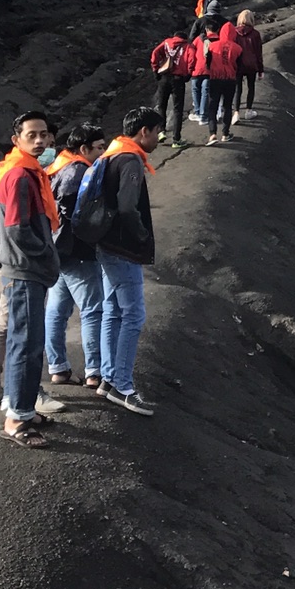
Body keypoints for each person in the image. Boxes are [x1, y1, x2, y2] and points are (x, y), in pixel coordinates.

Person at [0, 111, 62, 446]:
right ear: (16, 139)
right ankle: (16, 420)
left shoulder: (27, 172)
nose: (40, 141)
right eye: (31, 135)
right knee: (26, 344)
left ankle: (23, 408)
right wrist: (47, 255)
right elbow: (18, 229)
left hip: (23, 269)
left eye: (44, 134)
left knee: (29, 342)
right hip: (23, 271)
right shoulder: (20, 176)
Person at [95, 108, 162, 414]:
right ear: (144, 131)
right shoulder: (131, 160)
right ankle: (123, 386)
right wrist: (139, 235)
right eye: (157, 132)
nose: (158, 138)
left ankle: (108, 379)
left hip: (106, 244)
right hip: (123, 248)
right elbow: (126, 206)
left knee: (112, 312)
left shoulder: (111, 153)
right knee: (133, 315)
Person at [46, 123, 107, 387]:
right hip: (78, 251)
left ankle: (58, 367)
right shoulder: (80, 171)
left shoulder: (56, 168)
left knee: (56, 310)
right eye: (99, 148)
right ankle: (95, 371)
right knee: (93, 310)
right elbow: (78, 216)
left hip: (57, 250)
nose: (103, 153)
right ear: (84, 149)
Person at [197, 14, 244, 143]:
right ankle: (225, 133)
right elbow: (240, 67)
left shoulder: (212, 46)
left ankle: (212, 134)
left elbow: (208, 63)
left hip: (215, 79)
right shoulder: (238, 48)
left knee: (213, 106)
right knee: (227, 106)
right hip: (230, 80)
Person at [150, 25, 195, 146]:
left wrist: (155, 70)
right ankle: (176, 139)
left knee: (161, 106)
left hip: (164, 78)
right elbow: (192, 61)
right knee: (177, 109)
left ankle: (161, 131)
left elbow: (155, 53)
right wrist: (188, 74)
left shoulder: (166, 43)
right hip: (178, 80)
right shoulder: (188, 47)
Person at [186, 0, 220, 123]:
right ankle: (204, 116)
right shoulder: (217, 41)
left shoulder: (197, 38)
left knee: (196, 89)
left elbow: (190, 49)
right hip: (209, 69)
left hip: (196, 69)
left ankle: (198, 113)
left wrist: (189, 67)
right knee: (206, 91)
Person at [235, 10, 264, 117]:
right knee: (251, 87)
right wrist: (261, 70)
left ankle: (236, 112)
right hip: (251, 64)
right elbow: (258, 53)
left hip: (238, 64)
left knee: (238, 89)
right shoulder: (255, 34)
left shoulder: (234, 32)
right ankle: (248, 111)